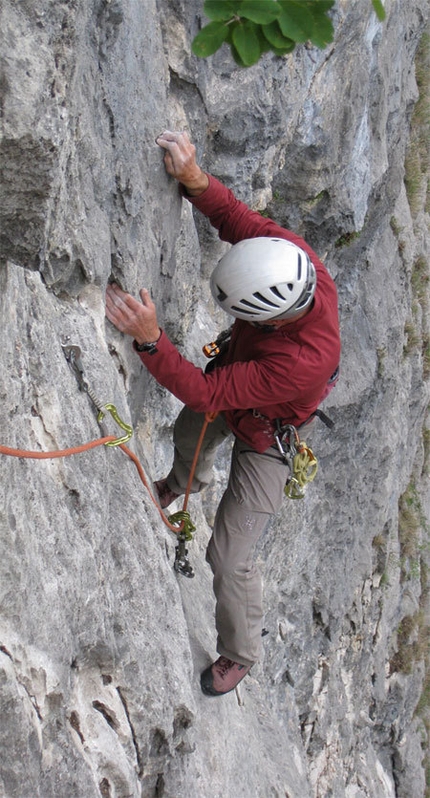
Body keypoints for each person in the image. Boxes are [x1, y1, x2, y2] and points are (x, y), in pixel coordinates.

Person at [105, 131, 341, 697]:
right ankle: (180, 481)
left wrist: (149, 340)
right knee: (191, 436)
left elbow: (211, 396)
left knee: (228, 555)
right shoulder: (294, 261)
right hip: (240, 386)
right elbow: (237, 219)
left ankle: (241, 652)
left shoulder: (303, 362)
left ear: (274, 321)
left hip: (269, 436)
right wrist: (195, 178)